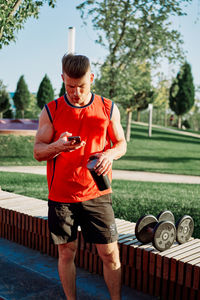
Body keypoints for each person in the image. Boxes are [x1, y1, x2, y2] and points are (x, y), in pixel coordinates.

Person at [34, 53, 127, 300]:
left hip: (97, 193)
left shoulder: (108, 107)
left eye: (82, 86)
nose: (76, 92)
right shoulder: (51, 110)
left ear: (92, 78)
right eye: (70, 86)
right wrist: (57, 147)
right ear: (63, 78)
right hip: (61, 196)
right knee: (67, 252)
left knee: (110, 254)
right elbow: (38, 152)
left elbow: (121, 143)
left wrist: (110, 155)